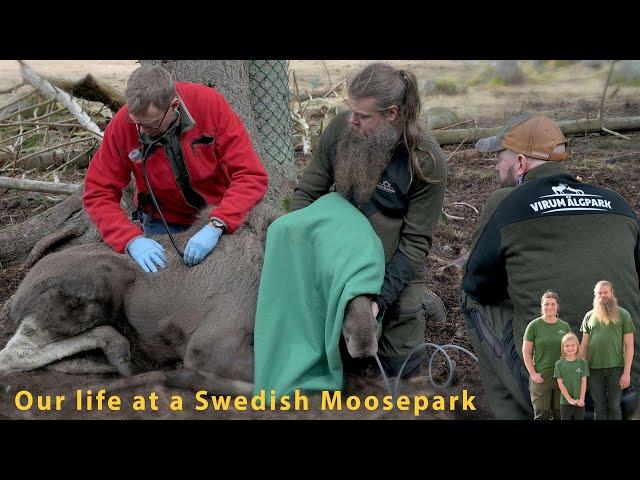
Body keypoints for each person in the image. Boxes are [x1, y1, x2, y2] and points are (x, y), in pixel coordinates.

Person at [461, 113, 640, 419]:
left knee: (472, 302)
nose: (495, 166)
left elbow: (477, 285)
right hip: (629, 386)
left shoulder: (506, 203)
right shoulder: (618, 204)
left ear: (520, 163)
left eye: (499, 157)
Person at [291, 63, 447, 378]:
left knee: (395, 367)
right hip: (335, 262)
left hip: (391, 267)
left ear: (391, 113)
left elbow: (416, 244)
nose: (351, 121)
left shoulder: (425, 162)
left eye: (362, 116)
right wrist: (302, 253)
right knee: (324, 356)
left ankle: (418, 301)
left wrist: (379, 302)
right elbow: (306, 195)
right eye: (350, 110)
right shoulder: (340, 131)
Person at [83, 65, 268, 272]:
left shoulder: (209, 105)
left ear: (174, 106)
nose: (142, 131)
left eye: (151, 124)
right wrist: (129, 239)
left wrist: (219, 223)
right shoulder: (122, 126)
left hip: (221, 210)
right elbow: (98, 192)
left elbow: (250, 175)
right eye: (137, 122)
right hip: (166, 218)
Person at [580, 280, 635, 420]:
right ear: (595, 295)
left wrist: (627, 373)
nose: (602, 295)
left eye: (605, 292)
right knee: (599, 407)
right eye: (599, 293)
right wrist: (581, 371)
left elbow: (629, 346)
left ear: (612, 293)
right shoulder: (588, 316)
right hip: (593, 370)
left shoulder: (623, 315)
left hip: (615, 369)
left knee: (614, 407)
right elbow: (584, 346)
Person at [522, 291, 571, 420]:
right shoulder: (534, 326)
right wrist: (533, 374)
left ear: (557, 306)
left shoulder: (564, 326)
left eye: (553, 304)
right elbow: (526, 353)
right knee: (541, 416)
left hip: (560, 378)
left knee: (560, 415)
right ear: (542, 306)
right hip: (542, 378)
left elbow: (571, 351)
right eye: (546, 304)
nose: (549, 307)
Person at [554, 332, 589, 420]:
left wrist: (581, 399)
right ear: (563, 347)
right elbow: (560, 384)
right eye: (567, 346)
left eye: (573, 345)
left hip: (579, 401)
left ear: (578, 346)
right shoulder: (559, 364)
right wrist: (570, 400)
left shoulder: (582, 363)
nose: (570, 348)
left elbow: (584, 382)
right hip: (565, 401)